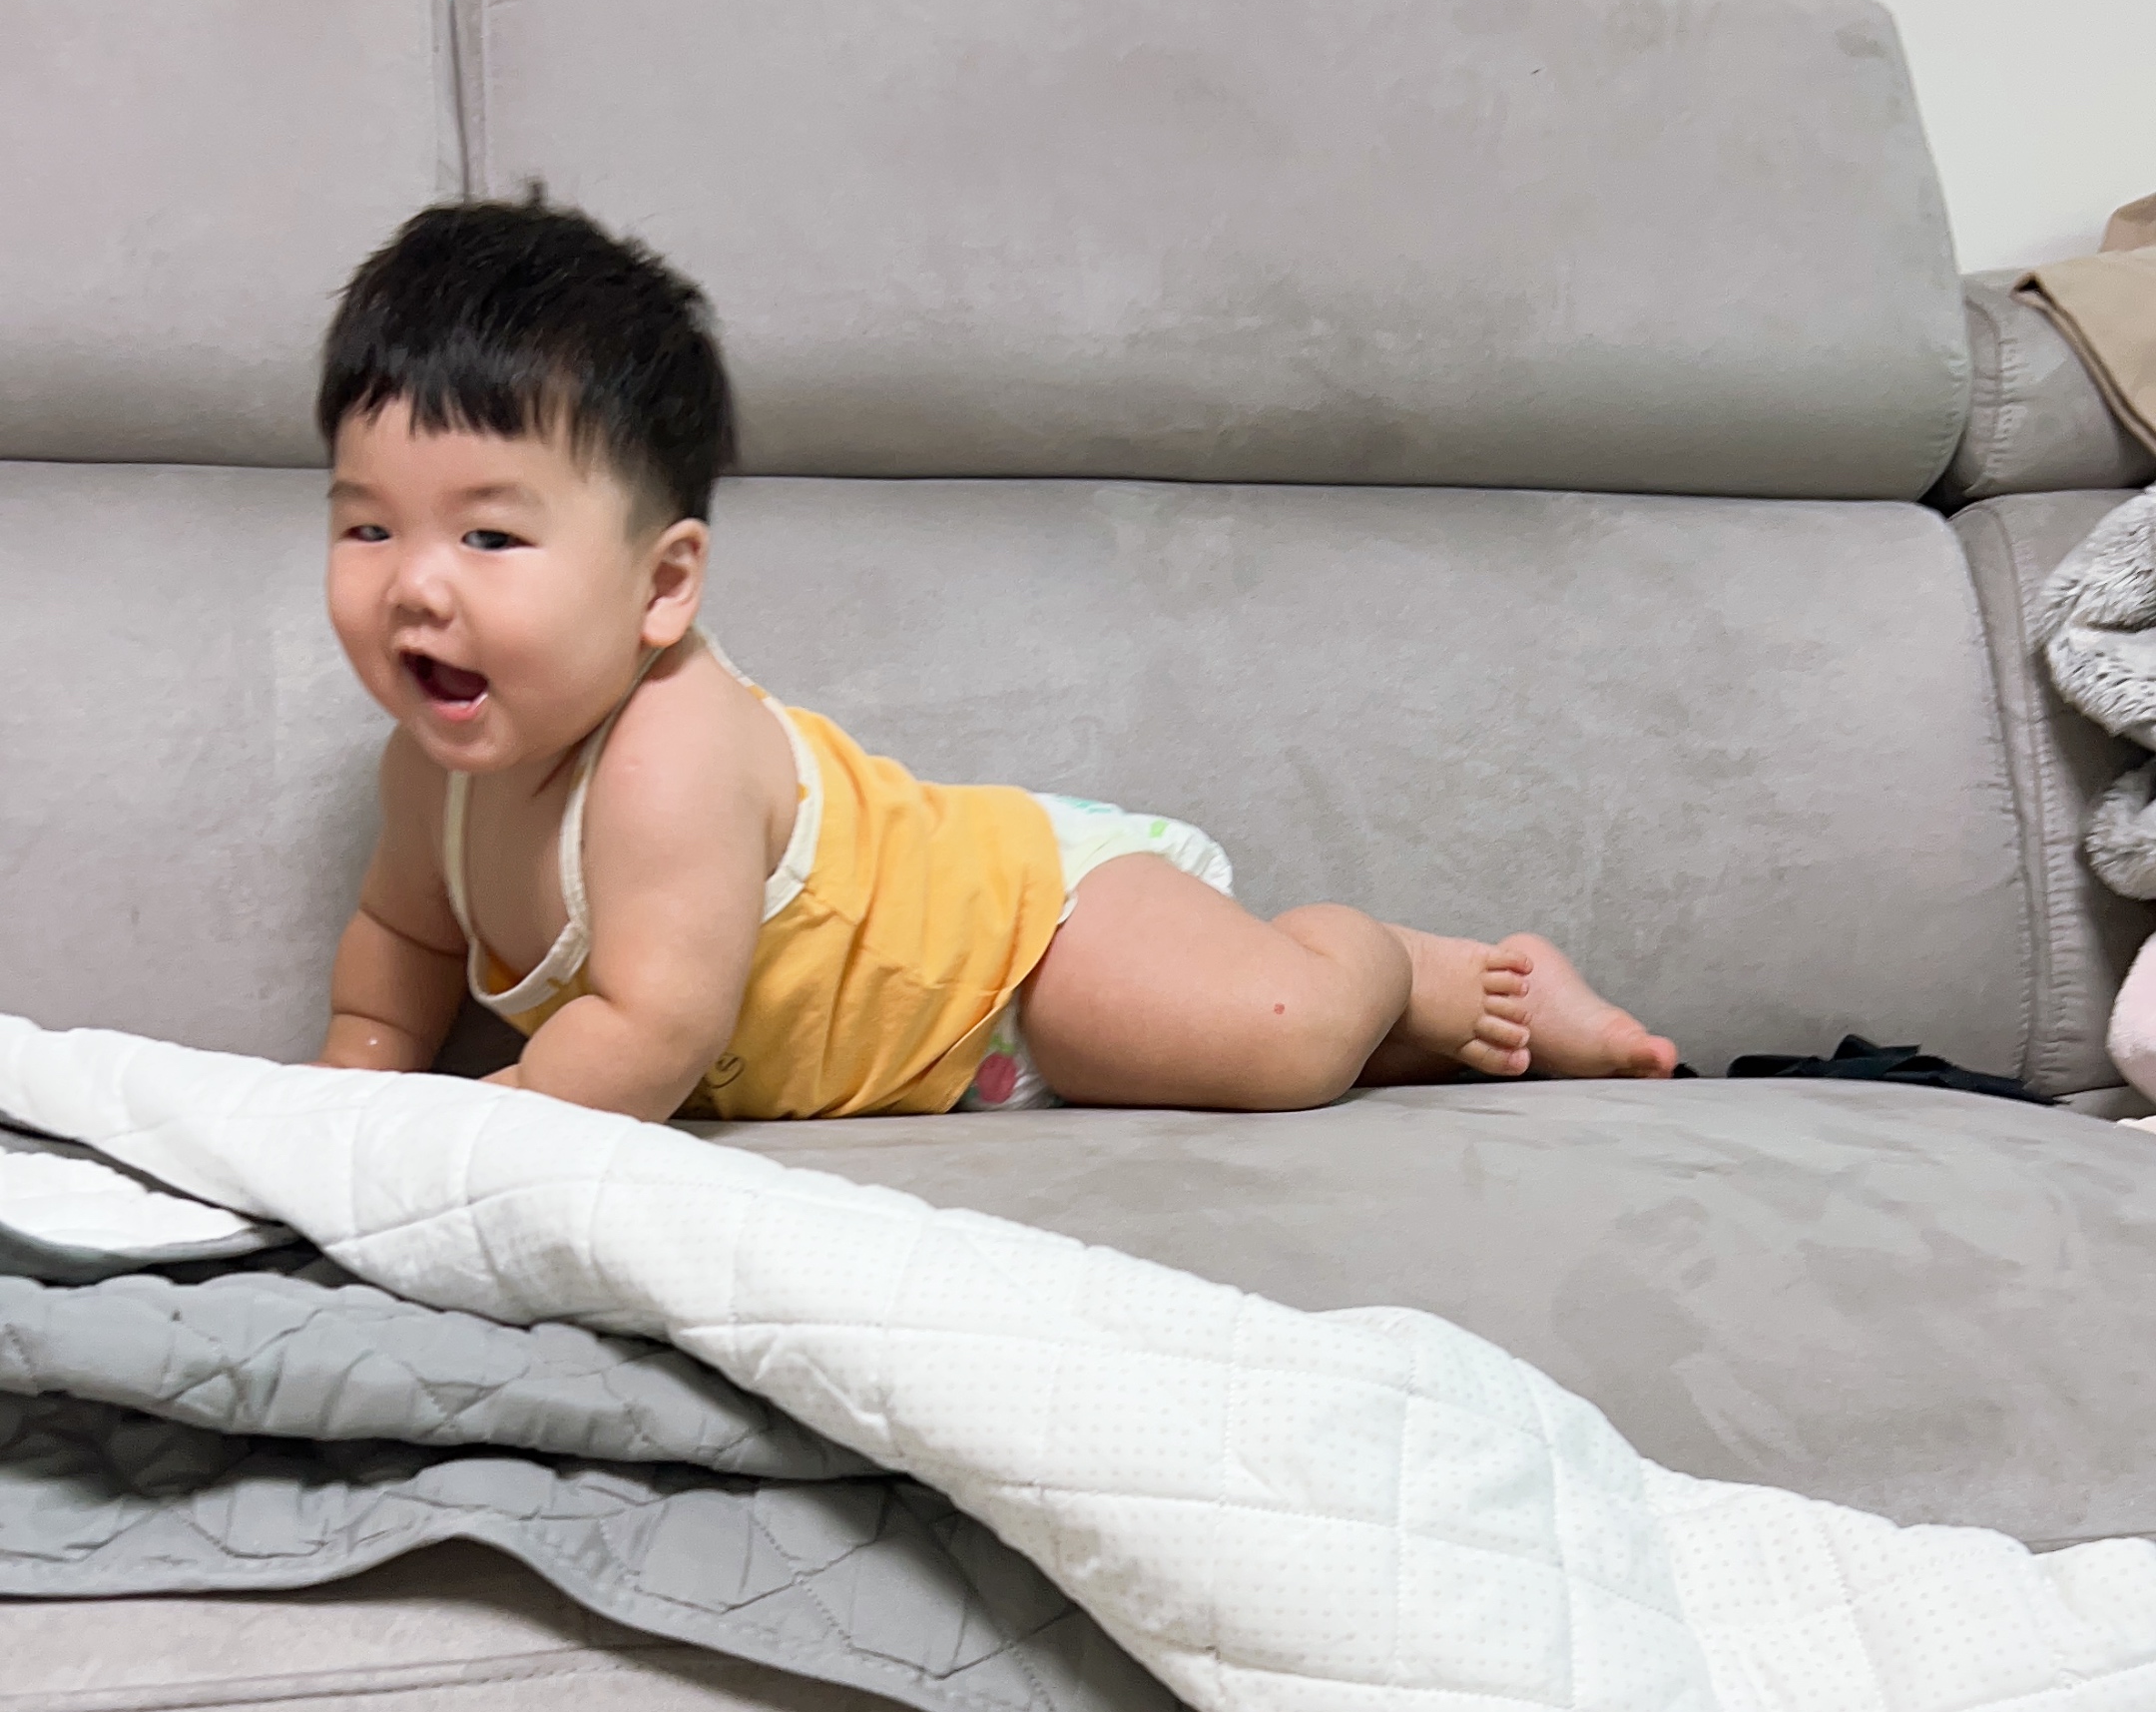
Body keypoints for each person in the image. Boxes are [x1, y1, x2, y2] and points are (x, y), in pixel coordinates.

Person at [314, 198, 1678, 1119]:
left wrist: (429, 1143)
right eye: (368, 525)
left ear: (662, 588)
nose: (414, 585)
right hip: (958, 1065)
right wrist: (341, 1085)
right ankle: (1465, 1040)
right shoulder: (427, 776)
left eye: (490, 538)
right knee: (1182, 1058)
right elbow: (401, 941)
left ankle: (1432, 971)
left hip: (1028, 937)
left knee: (1276, 1035)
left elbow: (648, 1034)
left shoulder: (668, 753)